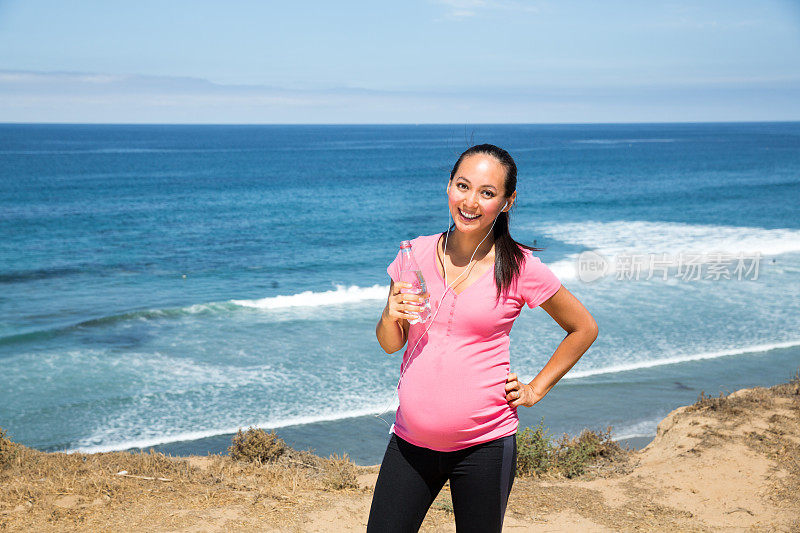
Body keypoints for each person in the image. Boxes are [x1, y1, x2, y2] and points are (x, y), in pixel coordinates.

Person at [367, 144, 598, 532]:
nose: (470, 202)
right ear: (448, 187)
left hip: (486, 444)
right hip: (410, 442)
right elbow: (391, 343)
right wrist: (389, 315)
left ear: (508, 202)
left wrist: (535, 389)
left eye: (487, 193)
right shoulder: (415, 254)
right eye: (463, 186)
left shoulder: (521, 268)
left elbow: (583, 328)